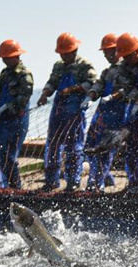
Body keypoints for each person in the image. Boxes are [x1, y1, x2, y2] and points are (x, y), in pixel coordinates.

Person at [36, 33, 97, 192]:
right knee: (53, 145)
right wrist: (45, 93)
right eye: (62, 53)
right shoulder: (59, 66)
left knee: (73, 147)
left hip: (75, 110)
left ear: (74, 50)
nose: (64, 56)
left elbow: (93, 83)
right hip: (58, 109)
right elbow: (52, 81)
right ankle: (51, 181)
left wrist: (73, 89)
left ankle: (73, 182)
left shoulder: (85, 66)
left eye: (67, 53)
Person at [0, 39, 34, 188]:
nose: (5, 60)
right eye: (3, 57)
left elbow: (23, 99)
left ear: (16, 56)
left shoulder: (25, 75)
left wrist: (7, 107)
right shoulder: (5, 74)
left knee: (8, 155)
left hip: (16, 122)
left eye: (7, 57)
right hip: (0, 121)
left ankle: (14, 187)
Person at [113, 33, 138, 187]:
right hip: (135, 109)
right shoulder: (123, 67)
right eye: (124, 56)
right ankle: (134, 182)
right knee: (132, 147)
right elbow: (124, 86)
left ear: (137, 51)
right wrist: (135, 100)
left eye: (129, 56)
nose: (127, 60)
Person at [85, 34, 122, 191]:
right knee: (89, 146)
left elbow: (127, 89)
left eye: (110, 52)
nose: (107, 56)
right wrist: (91, 95)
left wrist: (113, 96)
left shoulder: (125, 69)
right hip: (102, 114)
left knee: (104, 150)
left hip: (116, 116)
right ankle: (107, 179)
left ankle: (95, 184)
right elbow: (99, 85)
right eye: (105, 53)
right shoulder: (107, 71)